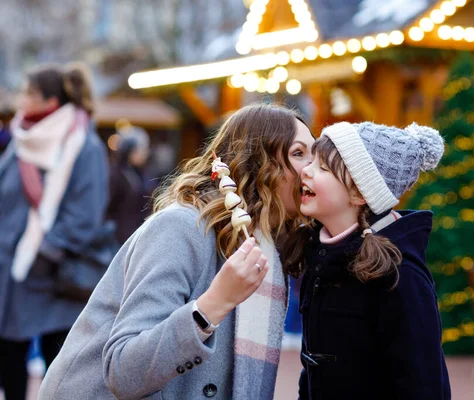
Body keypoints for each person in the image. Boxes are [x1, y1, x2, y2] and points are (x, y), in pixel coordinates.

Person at [38, 104, 315, 400]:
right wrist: (212, 305)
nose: (311, 168)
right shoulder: (181, 227)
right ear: (258, 163)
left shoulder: (271, 246)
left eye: (315, 154)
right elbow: (123, 369)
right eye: (298, 153)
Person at [283, 121, 451, 399]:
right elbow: (314, 368)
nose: (306, 171)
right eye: (311, 161)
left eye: (323, 168)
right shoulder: (321, 254)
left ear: (359, 193)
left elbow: (423, 382)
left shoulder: (400, 274)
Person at [0, 63, 109, 400]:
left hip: (53, 275)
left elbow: (84, 217)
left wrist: (42, 250)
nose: (20, 99)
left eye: (27, 93)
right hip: (12, 271)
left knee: (59, 366)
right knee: (8, 357)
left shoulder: (83, 145)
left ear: (49, 102)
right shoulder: (21, 137)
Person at [106, 126, 151, 244]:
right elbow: (108, 207)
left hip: (139, 232)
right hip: (119, 236)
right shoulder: (116, 175)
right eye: (139, 150)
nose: (143, 154)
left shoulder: (143, 174)